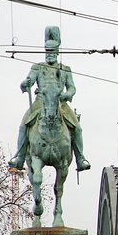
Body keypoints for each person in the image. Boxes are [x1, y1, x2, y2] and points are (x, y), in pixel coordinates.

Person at [7, 25, 90, 172]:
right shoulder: (37, 67)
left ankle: (80, 158)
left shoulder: (65, 69)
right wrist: (25, 84)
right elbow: (29, 81)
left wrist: (67, 94)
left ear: (57, 51)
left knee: (77, 127)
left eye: (52, 51)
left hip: (61, 104)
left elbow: (72, 87)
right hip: (41, 102)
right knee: (23, 125)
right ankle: (19, 157)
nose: (49, 54)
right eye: (47, 51)